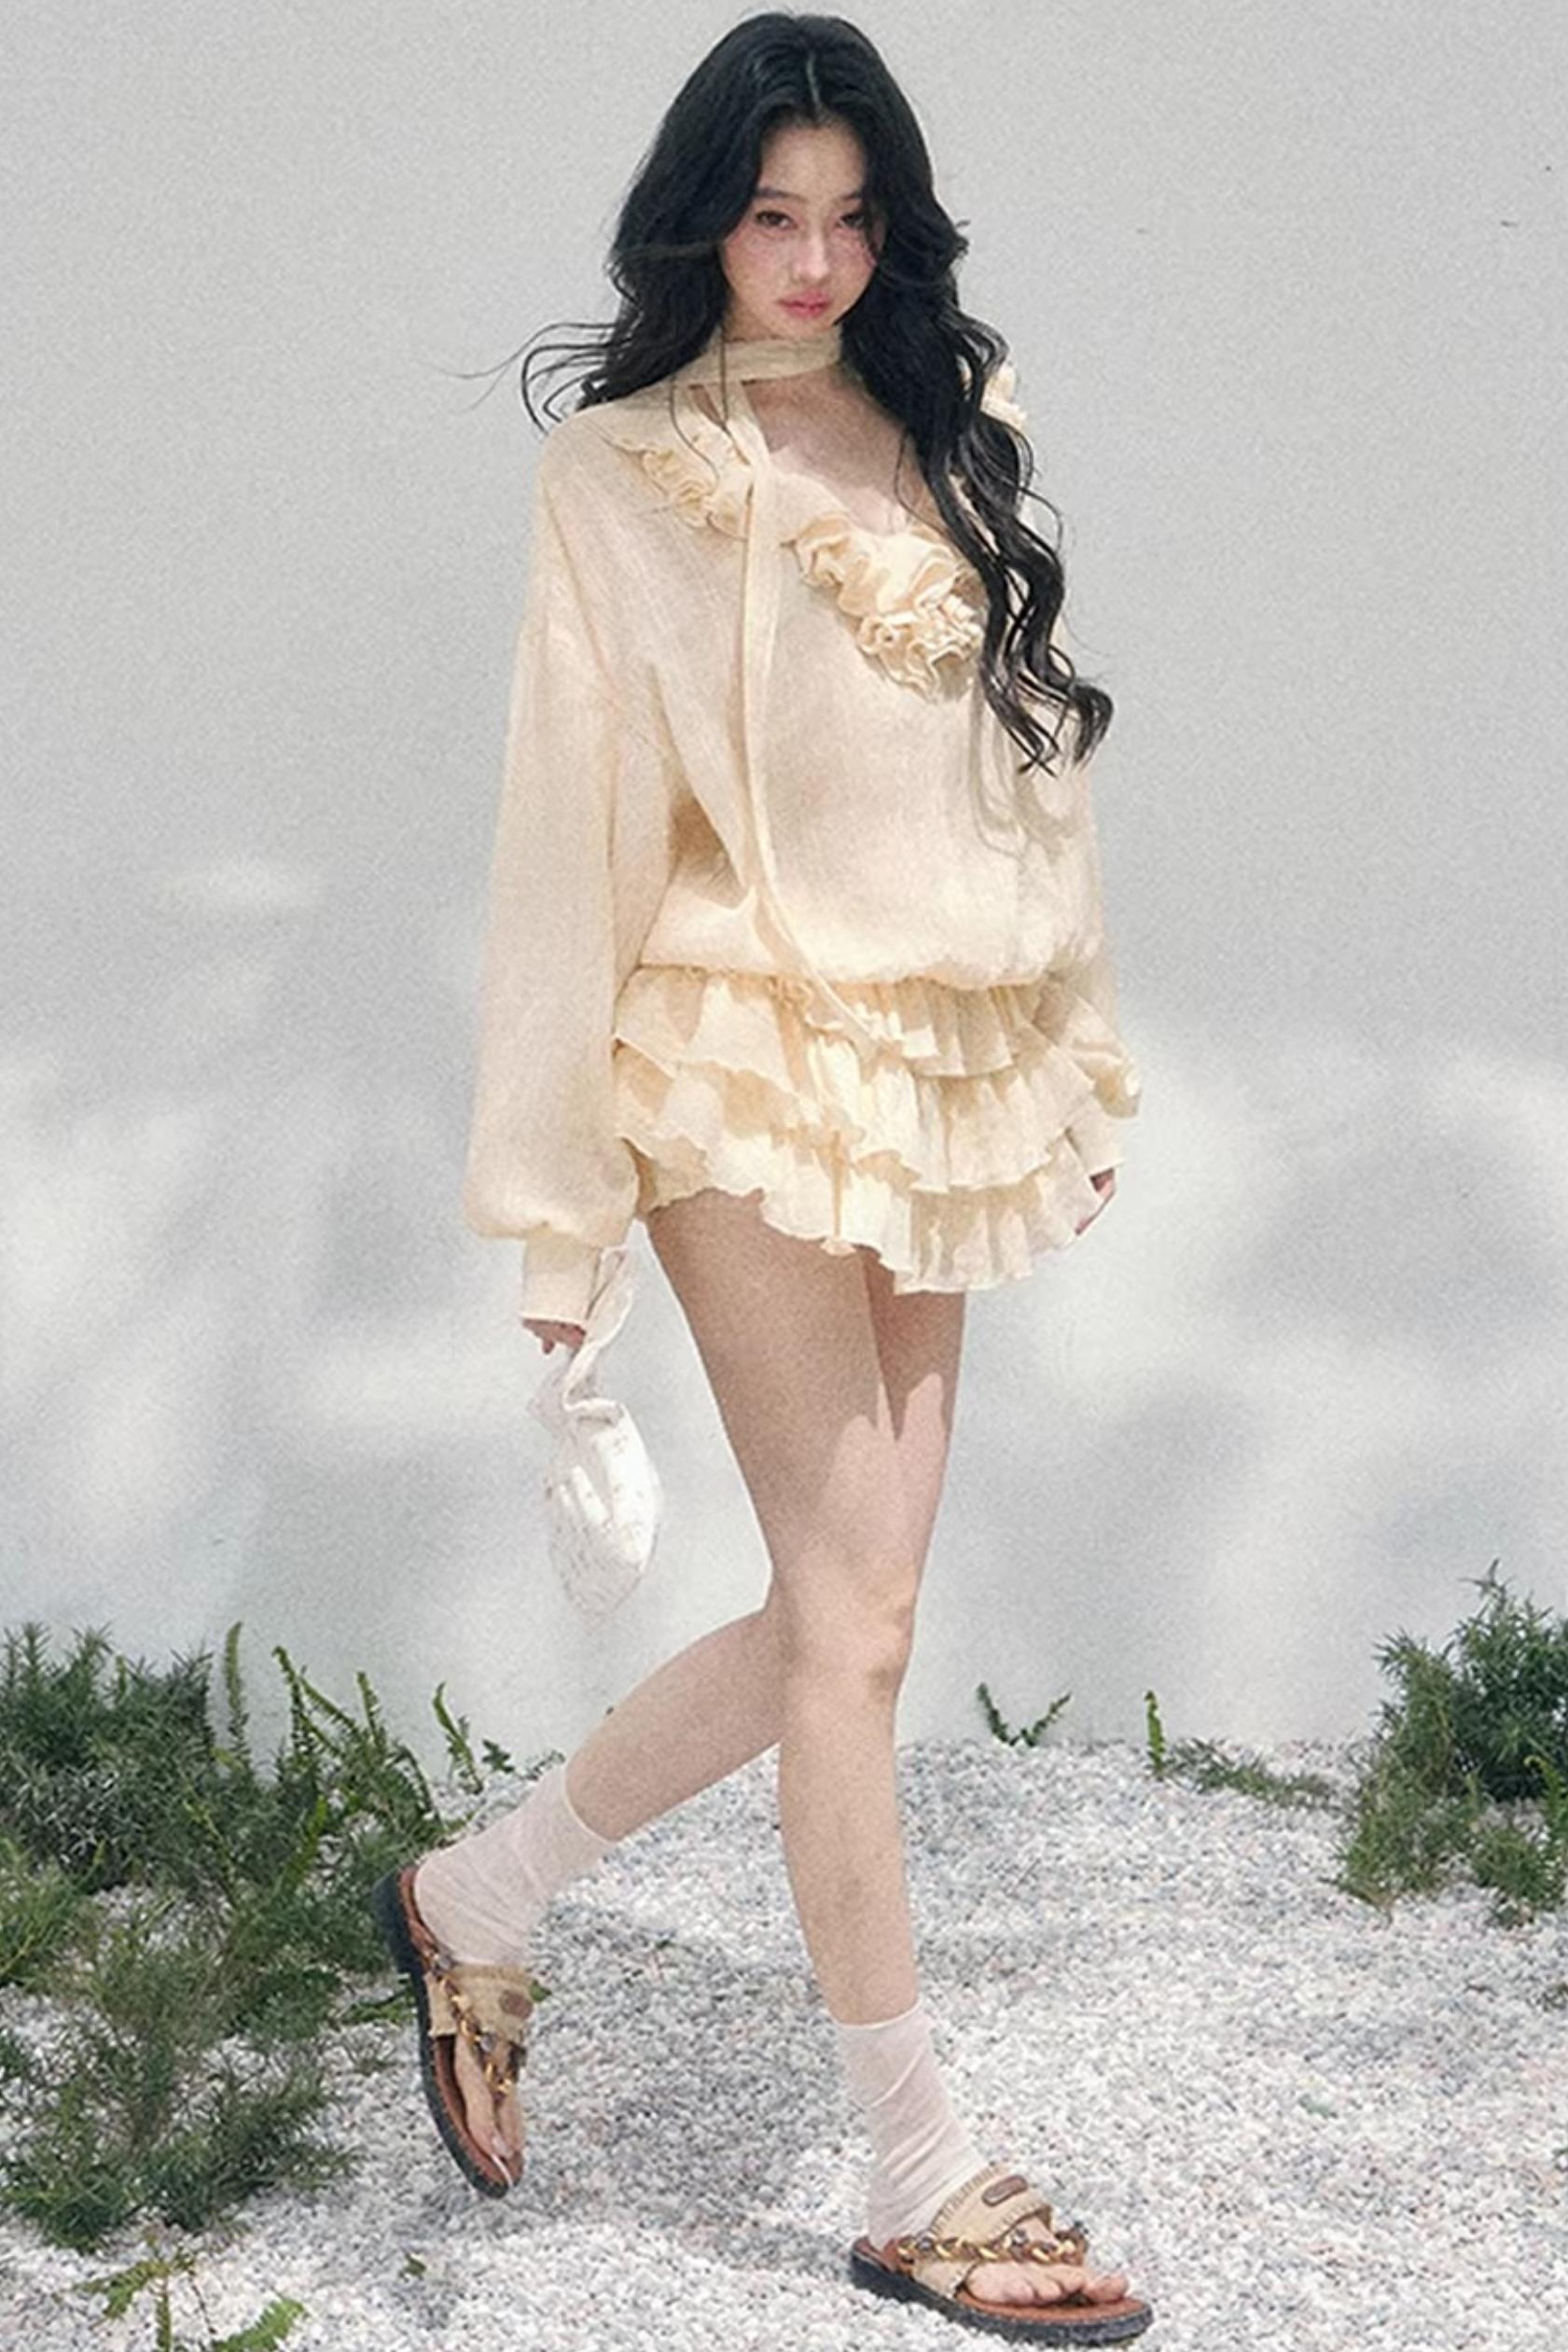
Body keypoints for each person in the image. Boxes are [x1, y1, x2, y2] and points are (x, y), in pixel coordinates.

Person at [372, 13, 1152, 2341]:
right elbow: (571, 833)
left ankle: (477, 1894)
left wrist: (1067, 1060)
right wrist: (556, 1203)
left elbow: (1024, 776)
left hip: (937, 1065)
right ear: (701, 219)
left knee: (854, 1617)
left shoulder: (957, 413)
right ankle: (917, 2163)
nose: (808, 262)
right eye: (767, 214)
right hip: (728, 1057)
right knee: (852, 1621)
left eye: (848, 218)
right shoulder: (624, 475)